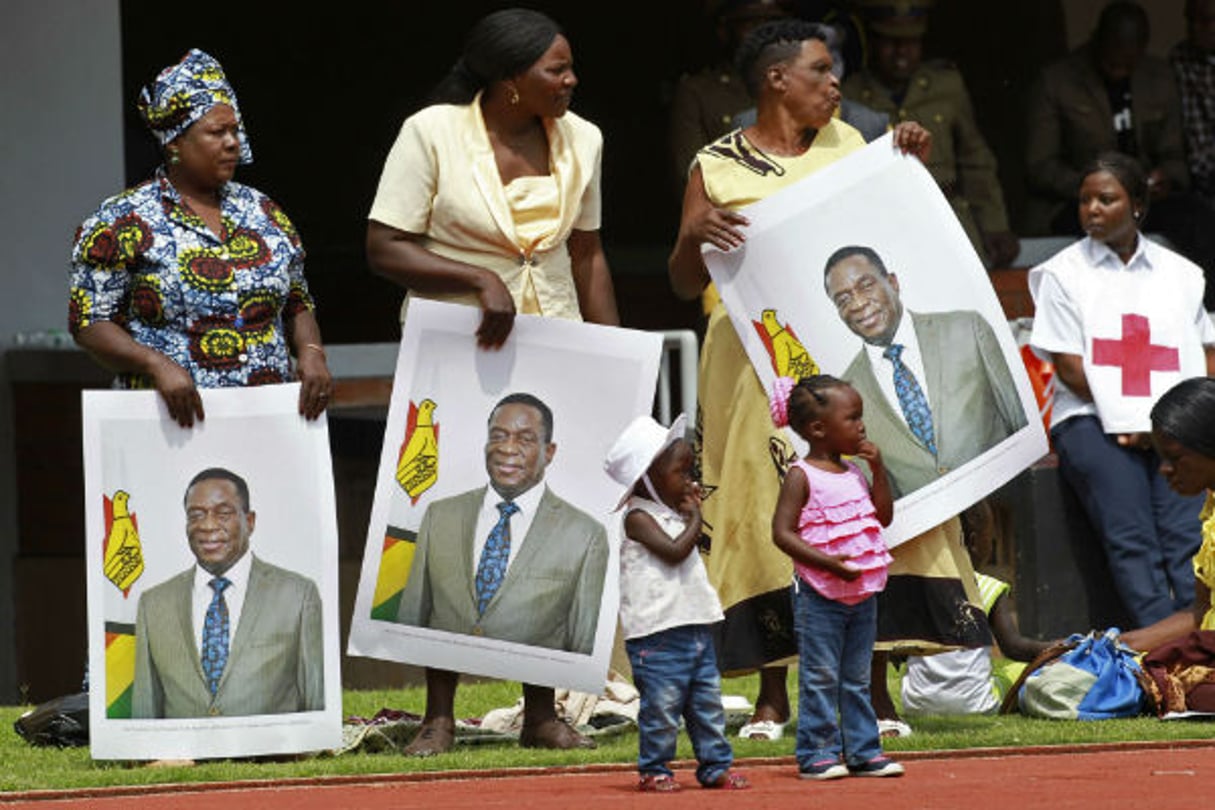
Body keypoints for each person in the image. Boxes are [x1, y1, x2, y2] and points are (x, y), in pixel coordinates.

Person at [667, 18, 935, 740]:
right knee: (761, 513)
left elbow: (899, 230)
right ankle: (770, 695)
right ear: (775, 79)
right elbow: (681, 275)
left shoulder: (851, 144)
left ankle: (873, 691)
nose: (834, 81)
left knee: (851, 503)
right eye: (819, 70)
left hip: (838, 363)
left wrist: (905, 158)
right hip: (748, 364)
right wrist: (694, 236)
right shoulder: (715, 162)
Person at [365, 8, 618, 755]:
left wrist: (611, 360)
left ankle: (541, 709)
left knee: (544, 519)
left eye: (570, 68)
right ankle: (438, 712)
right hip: (456, 346)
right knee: (444, 514)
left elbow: (589, 255)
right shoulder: (432, 131)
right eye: (556, 69)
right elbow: (384, 246)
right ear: (509, 81)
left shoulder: (586, 139)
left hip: (555, 342)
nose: (571, 81)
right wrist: (475, 276)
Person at [70, 49, 333, 429]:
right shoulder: (122, 221)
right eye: (216, 132)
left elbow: (296, 300)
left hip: (267, 420)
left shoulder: (263, 211)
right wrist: (154, 363)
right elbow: (90, 321)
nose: (232, 142)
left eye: (234, 130)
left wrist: (311, 352)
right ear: (174, 143)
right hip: (172, 423)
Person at [1029, 151, 1215, 630]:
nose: (1092, 209)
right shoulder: (1062, 273)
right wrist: (1133, 420)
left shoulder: (1180, 273)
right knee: (1130, 535)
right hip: (1092, 419)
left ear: (1136, 205)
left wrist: (1166, 429)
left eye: (1106, 199)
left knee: (1185, 533)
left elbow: (1202, 352)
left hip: (1170, 428)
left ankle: (1200, 638)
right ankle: (1163, 651)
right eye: (1085, 199)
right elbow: (1070, 366)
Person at [394, 393, 608, 753]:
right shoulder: (439, 516)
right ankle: (437, 720)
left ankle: (542, 720)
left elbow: (581, 635)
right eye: (498, 435)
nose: (507, 448)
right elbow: (414, 615)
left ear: (549, 451)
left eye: (525, 439)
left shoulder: (584, 533)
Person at [1025, 1, 1215, 305]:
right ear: (1097, 40)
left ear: (1141, 50)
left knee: (1200, 219)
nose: (1119, 71)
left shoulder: (1157, 78)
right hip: (1080, 202)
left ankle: (1206, 315)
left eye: (1127, 64)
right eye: (1112, 62)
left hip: (1145, 200)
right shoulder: (1058, 81)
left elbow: (1176, 157)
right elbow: (1040, 165)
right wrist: (1096, 188)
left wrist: (1166, 177)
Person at [603, 414, 749, 792]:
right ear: (646, 478)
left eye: (691, 470)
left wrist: (688, 516)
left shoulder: (674, 513)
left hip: (694, 626)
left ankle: (715, 765)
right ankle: (655, 768)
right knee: (662, 710)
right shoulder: (638, 517)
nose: (690, 480)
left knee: (707, 707)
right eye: (680, 472)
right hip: (657, 637)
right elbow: (674, 552)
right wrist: (696, 517)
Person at [769, 375, 903, 778]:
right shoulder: (802, 475)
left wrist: (877, 469)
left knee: (856, 678)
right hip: (819, 596)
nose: (862, 425)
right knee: (821, 676)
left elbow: (882, 517)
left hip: (862, 594)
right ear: (818, 429)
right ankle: (817, 754)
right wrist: (827, 564)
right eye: (853, 417)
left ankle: (863, 751)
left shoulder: (853, 474)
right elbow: (782, 533)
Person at [824, 244, 1027, 498]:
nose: (858, 303)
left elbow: (1019, 419)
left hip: (1010, 502)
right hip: (937, 534)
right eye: (843, 300)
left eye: (866, 286)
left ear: (892, 282)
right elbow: (880, 492)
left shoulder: (967, 329)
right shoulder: (845, 394)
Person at [132, 468, 323, 718]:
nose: (208, 525)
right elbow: (145, 712)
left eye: (223, 513)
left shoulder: (298, 596)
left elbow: (317, 708)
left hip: (273, 756)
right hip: (181, 757)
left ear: (250, 521)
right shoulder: (153, 604)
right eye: (196, 515)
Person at [843, 0, 1019, 268]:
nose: (901, 52)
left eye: (911, 42)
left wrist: (994, 225)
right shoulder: (850, 94)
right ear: (872, 41)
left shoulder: (946, 85)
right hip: (887, 222)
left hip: (950, 215)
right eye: (890, 42)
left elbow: (975, 159)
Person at [899, 499, 1052, 715]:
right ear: (973, 542)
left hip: (916, 706)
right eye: (990, 541)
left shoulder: (920, 587)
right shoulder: (986, 586)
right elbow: (1014, 647)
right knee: (1016, 671)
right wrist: (1056, 648)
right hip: (977, 705)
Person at [1120, 376, 1215, 653]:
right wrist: (1116, 646)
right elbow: (1200, 611)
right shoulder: (1210, 509)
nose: (1164, 469)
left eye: (1175, 458)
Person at [1170, 0, 1215, 200]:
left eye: (1205, 21)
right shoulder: (1180, 60)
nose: (1194, 29)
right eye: (1190, 20)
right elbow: (1196, 146)